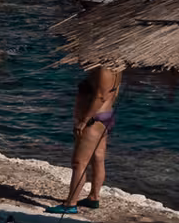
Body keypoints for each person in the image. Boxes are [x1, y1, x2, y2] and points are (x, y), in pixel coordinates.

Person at [49, 67, 123, 214]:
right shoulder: (116, 68)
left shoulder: (104, 69)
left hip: (93, 121)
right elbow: (113, 93)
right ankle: (93, 197)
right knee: (97, 158)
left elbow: (100, 96)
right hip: (105, 116)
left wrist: (84, 120)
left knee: (79, 163)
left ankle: (70, 204)